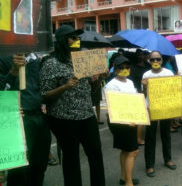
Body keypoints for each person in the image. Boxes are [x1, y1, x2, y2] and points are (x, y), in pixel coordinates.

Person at [40, 25, 106, 186]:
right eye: (73, 37)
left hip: (86, 115)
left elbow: (90, 88)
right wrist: (65, 86)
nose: (77, 40)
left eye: (78, 38)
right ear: (63, 41)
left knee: (96, 155)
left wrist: (99, 80)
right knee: (72, 159)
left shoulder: (82, 59)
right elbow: (44, 95)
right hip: (64, 119)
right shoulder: (50, 63)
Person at [0, 53, 51, 186]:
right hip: (19, 121)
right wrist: (14, 71)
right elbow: (2, 91)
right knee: (19, 170)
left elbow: (45, 88)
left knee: (39, 165)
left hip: (40, 118)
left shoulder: (38, 61)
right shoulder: (4, 60)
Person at [141, 51, 177, 177]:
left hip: (165, 108)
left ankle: (168, 159)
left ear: (162, 60)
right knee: (150, 137)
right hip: (151, 108)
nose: (155, 62)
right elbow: (144, 95)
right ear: (149, 61)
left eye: (158, 59)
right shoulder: (146, 74)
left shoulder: (168, 73)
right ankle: (149, 165)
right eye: (153, 60)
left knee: (166, 134)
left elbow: (174, 91)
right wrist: (145, 87)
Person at [105, 56, 139, 186]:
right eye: (121, 67)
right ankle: (128, 182)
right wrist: (126, 121)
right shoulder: (111, 85)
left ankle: (124, 177)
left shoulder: (129, 82)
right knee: (133, 151)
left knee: (126, 150)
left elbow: (136, 100)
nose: (125, 70)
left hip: (132, 119)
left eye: (127, 67)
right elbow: (113, 108)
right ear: (115, 69)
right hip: (120, 122)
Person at [130, 49, 150, 146]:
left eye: (142, 55)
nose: (140, 56)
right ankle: (138, 138)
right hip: (138, 92)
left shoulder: (148, 66)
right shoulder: (133, 68)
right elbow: (132, 82)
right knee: (141, 116)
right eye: (138, 55)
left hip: (148, 92)